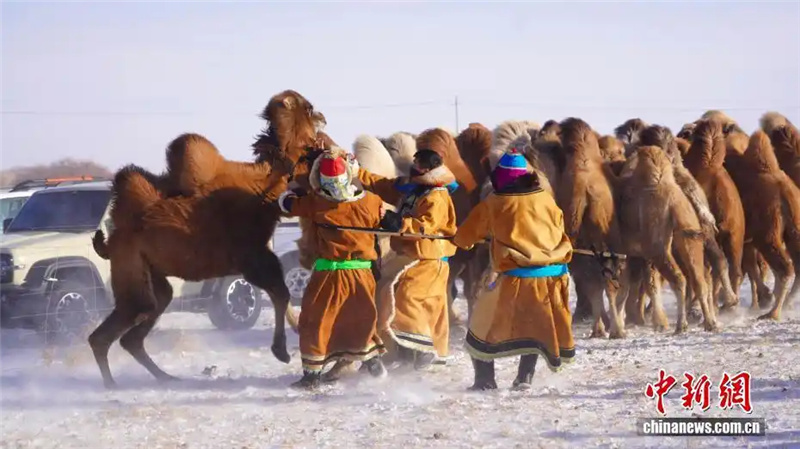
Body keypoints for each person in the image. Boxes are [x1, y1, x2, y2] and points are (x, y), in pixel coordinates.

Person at [451, 147, 576, 390]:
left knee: (480, 328)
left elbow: (465, 237)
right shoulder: (546, 199)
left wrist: (457, 238)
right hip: (552, 276)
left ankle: (485, 381)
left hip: (516, 278)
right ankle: (524, 377)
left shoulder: (496, 202)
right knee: (534, 327)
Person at [277, 148, 393, 389]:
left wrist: (289, 192)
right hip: (362, 274)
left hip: (329, 275)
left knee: (316, 321)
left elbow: (287, 205)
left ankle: (312, 376)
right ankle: (372, 363)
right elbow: (388, 218)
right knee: (361, 318)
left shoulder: (317, 203)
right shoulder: (372, 202)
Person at [373, 148, 459, 370]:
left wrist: (398, 223)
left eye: (418, 164)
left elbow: (426, 227)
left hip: (431, 257)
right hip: (417, 256)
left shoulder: (437, 196)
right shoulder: (416, 189)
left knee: (408, 299)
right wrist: (356, 172)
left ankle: (420, 352)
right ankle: (416, 352)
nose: (414, 167)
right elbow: (384, 185)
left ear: (429, 169)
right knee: (429, 306)